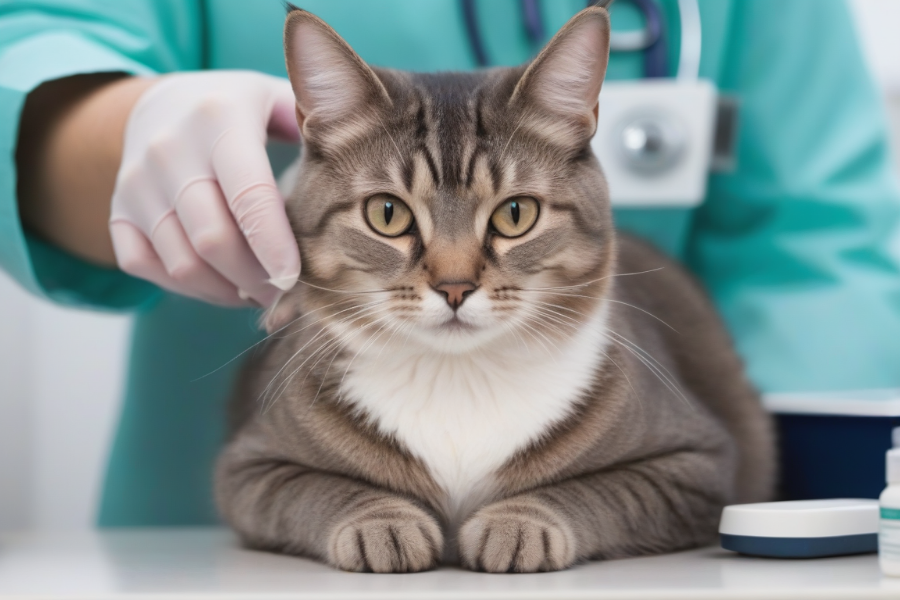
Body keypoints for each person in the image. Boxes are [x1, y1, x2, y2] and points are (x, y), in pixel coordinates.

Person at [2, 0, 899, 526]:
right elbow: (38, 42)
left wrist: (812, 530)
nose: (455, 274)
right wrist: (127, 130)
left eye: (507, 217)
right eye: (393, 216)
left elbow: (819, 238)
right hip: (211, 536)